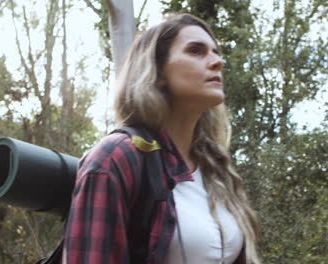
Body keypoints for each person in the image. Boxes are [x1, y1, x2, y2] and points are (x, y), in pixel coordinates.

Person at [62, 13, 260, 264]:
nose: (217, 61)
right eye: (196, 51)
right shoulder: (117, 157)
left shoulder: (215, 167)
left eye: (215, 52)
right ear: (157, 69)